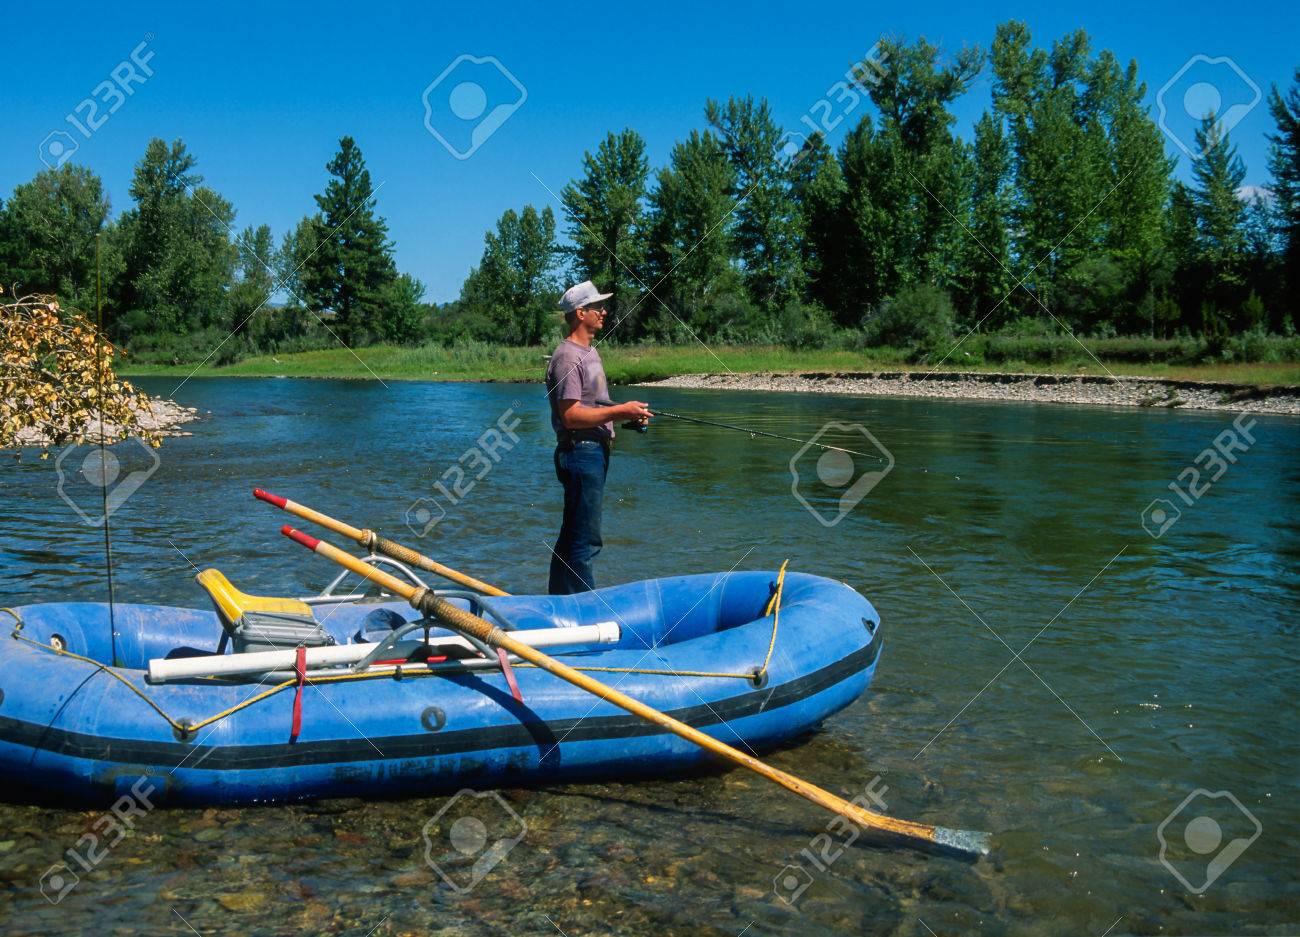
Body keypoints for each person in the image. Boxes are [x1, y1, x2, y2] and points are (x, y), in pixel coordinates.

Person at [545, 281, 652, 595]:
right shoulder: (567, 357)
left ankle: (559, 603)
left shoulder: (590, 351)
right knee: (585, 540)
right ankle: (587, 609)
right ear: (581, 313)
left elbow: (596, 407)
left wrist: (628, 417)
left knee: (573, 537)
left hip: (593, 451)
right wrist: (620, 411)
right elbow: (571, 415)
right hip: (581, 453)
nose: (604, 312)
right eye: (597, 307)